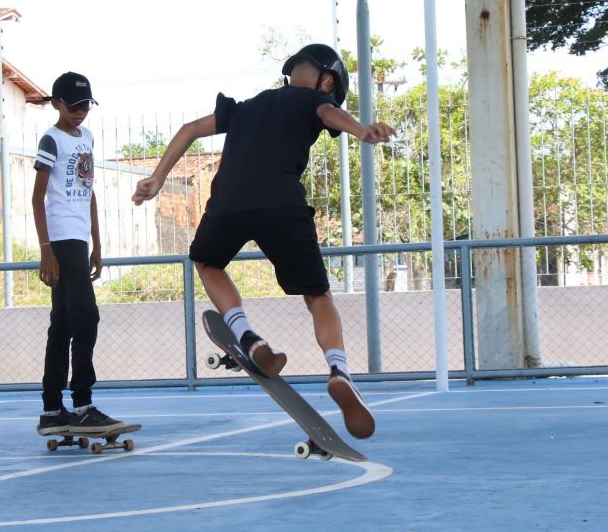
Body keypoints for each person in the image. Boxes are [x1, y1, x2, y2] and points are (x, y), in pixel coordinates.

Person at [132, 44, 394, 439]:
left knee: (207, 262)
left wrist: (157, 178)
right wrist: (361, 130)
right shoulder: (315, 101)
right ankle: (339, 370)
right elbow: (330, 113)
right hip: (282, 204)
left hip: (229, 204)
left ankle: (249, 338)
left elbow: (188, 130)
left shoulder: (244, 107)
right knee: (318, 297)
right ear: (326, 81)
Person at [32, 71, 123, 436]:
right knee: (86, 317)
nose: (81, 111)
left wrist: (97, 244)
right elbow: (37, 198)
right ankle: (82, 404)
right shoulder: (51, 140)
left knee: (64, 324)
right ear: (56, 104)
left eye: (86, 105)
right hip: (60, 240)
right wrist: (46, 251)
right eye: (73, 105)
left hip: (80, 240)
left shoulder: (86, 137)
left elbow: (89, 191)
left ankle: (53, 409)